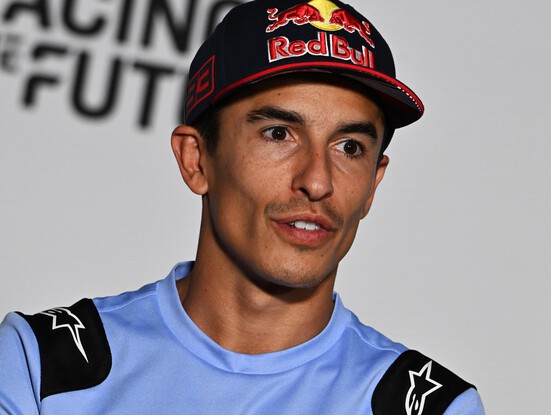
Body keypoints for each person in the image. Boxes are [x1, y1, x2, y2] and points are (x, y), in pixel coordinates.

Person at [0, 1, 485, 414]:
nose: (317, 181)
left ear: (374, 184)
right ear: (196, 160)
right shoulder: (42, 365)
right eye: (278, 134)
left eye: (350, 147)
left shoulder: (428, 407)